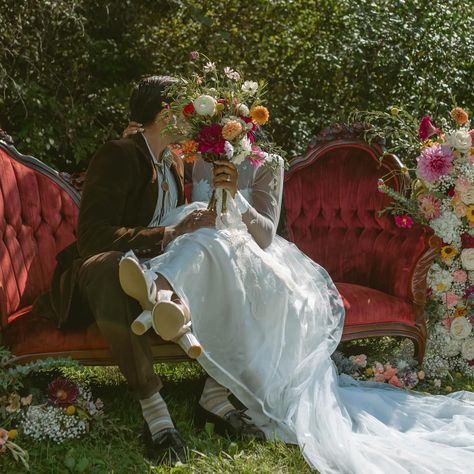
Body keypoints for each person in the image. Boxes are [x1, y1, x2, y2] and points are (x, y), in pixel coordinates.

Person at [120, 115, 474, 473]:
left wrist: (235, 201)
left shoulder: (269, 165)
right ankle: (171, 312)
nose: (225, 137)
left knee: (224, 255)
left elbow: (265, 235)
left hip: (250, 254)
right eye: (218, 130)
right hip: (208, 253)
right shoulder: (197, 162)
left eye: (233, 129)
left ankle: (161, 298)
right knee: (202, 237)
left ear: (248, 130)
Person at [33, 76, 266, 466]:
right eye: (184, 109)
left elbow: (179, 226)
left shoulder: (172, 162)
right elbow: (92, 237)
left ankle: (215, 390)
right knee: (113, 266)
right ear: (163, 112)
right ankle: (154, 410)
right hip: (101, 272)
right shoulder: (119, 154)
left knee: (232, 254)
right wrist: (169, 233)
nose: (191, 118)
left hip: (157, 266)